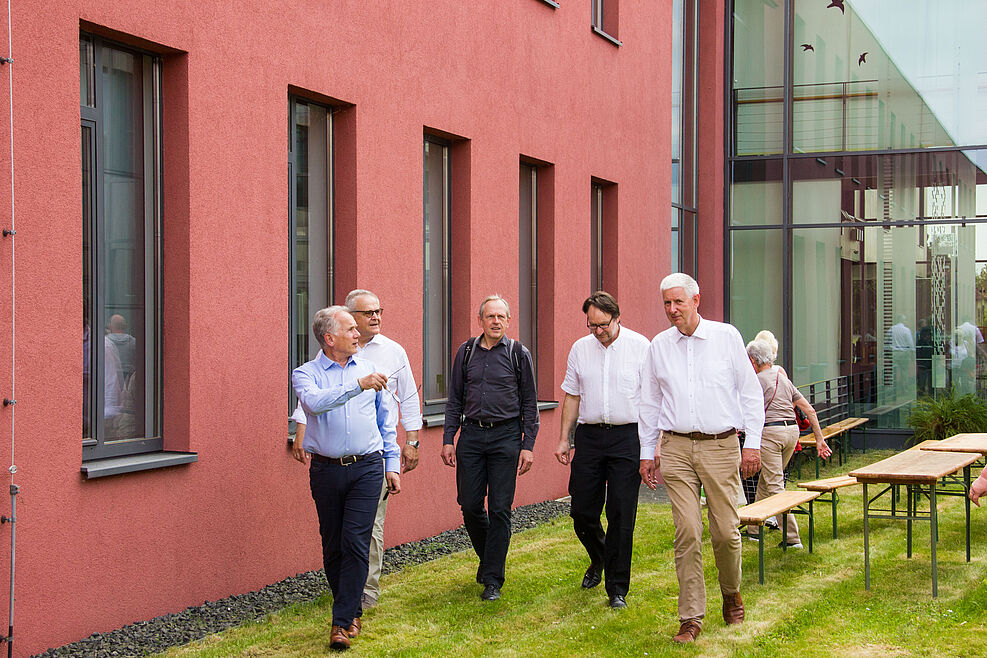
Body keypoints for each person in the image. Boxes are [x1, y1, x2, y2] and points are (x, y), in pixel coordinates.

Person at [638, 273, 764, 644]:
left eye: (678, 302)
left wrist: (753, 443)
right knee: (687, 532)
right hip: (676, 448)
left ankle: (731, 591)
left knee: (725, 531)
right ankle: (691, 617)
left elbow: (750, 394)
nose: (672, 310)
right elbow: (649, 402)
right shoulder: (658, 346)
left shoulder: (726, 337)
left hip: (721, 446)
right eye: (666, 303)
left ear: (697, 300)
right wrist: (648, 453)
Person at [292, 306, 401, 651]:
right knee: (333, 544)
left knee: (356, 540)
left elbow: (386, 422)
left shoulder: (372, 371)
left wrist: (392, 463)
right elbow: (316, 404)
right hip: (325, 469)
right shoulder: (305, 374)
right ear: (329, 338)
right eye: (351, 329)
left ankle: (341, 623)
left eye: (357, 329)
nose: (358, 334)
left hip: (367, 468)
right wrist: (357, 386)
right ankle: (352, 608)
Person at [555, 291, 649, 609]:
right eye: (591, 325)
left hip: (627, 438)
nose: (597, 331)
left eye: (602, 325)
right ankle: (599, 557)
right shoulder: (580, 349)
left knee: (621, 514)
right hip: (590, 437)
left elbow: (651, 400)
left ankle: (617, 589)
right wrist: (564, 438)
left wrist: (652, 446)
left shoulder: (640, 347)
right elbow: (572, 396)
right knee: (582, 511)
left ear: (617, 317)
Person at [442, 295, 538, 602]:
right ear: (480, 320)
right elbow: (455, 398)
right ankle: (489, 558)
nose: (495, 321)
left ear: (509, 321)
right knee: (469, 505)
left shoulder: (518, 353)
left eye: (501, 317)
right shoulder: (466, 352)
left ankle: (493, 579)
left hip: (506, 437)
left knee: (499, 509)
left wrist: (528, 445)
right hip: (471, 436)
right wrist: (448, 438)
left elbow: (530, 404)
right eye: (490, 316)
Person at [345, 289, 423, 610]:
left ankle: (368, 590)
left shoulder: (393, 351)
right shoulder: (337, 351)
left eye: (379, 311)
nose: (376, 317)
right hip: (342, 451)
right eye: (368, 313)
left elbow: (409, 398)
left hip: (380, 450)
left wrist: (412, 441)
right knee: (343, 525)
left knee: (371, 524)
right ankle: (346, 584)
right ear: (351, 318)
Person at [745, 339, 831, 547]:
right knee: (768, 480)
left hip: (771, 434)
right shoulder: (782, 377)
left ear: (752, 360)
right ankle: (753, 529)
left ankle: (792, 538)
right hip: (792, 433)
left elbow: (746, 409)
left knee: (774, 485)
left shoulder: (756, 381)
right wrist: (820, 439)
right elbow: (809, 410)